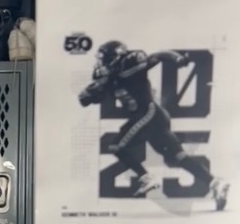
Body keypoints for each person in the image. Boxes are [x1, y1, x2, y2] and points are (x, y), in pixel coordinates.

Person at [78, 39, 230, 210]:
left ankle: (146, 178)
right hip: (154, 117)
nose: (101, 64)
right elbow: (93, 95)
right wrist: (89, 95)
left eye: (104, 59)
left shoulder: (129, 65)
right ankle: (215, 183)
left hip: (148, 113)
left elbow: (158, 56)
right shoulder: (110, 79)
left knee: (116, 146)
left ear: (115, 59)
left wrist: (177, 58)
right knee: (178, 157)